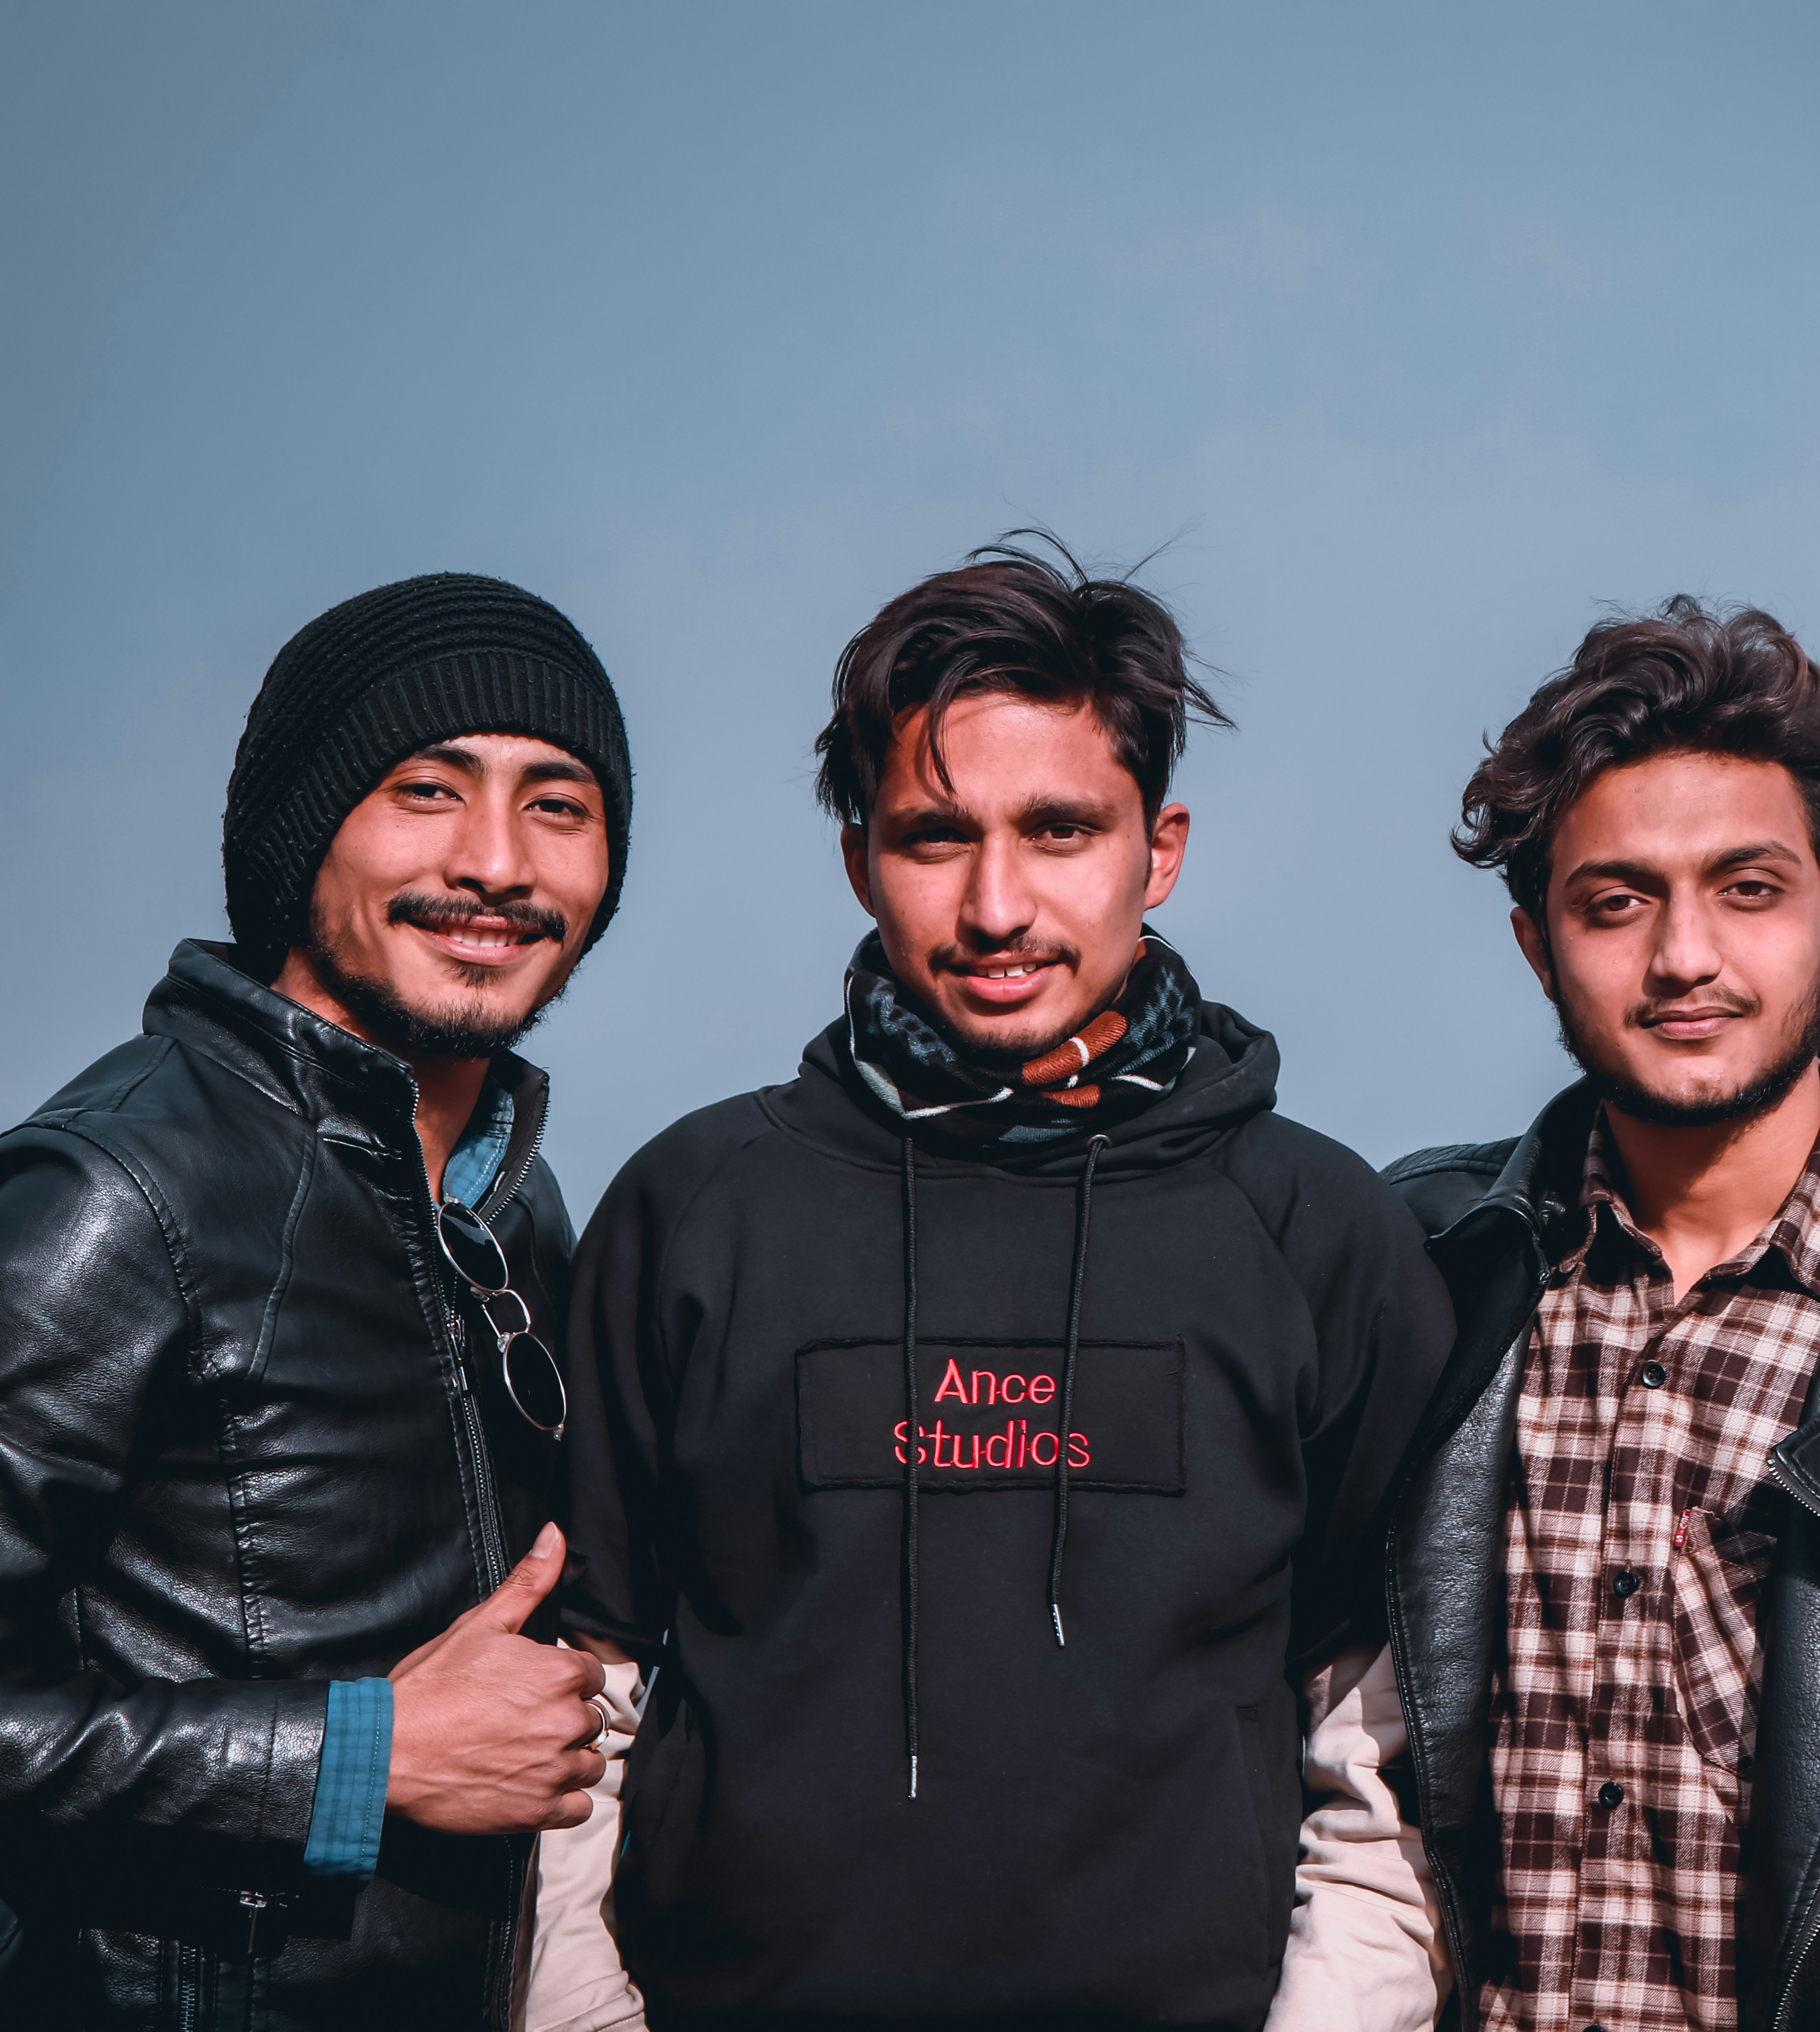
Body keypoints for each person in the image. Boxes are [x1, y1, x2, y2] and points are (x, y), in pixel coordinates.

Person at [554, 537, 1455, 2028]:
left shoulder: (1319, 1233)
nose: (995, 907)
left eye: (1058, 831)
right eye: (932, 837)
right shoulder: (693, 1209)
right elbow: (575, 1705)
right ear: (858, 858)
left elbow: (1382, 1751)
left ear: (1157, 850)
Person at [1270, 599, 1820, 2032]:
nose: (1685, 958)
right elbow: (1349, 1779)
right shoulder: (1431, 1273)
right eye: (1618, 902)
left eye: (1747, 890)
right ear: (1536, 944)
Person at [0, 574, 635, 2027]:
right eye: (427, 790)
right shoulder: (116, 1191)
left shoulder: (511, 1205)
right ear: (305, 836)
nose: (495, 863)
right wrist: (359, 1755)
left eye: (557, 805)